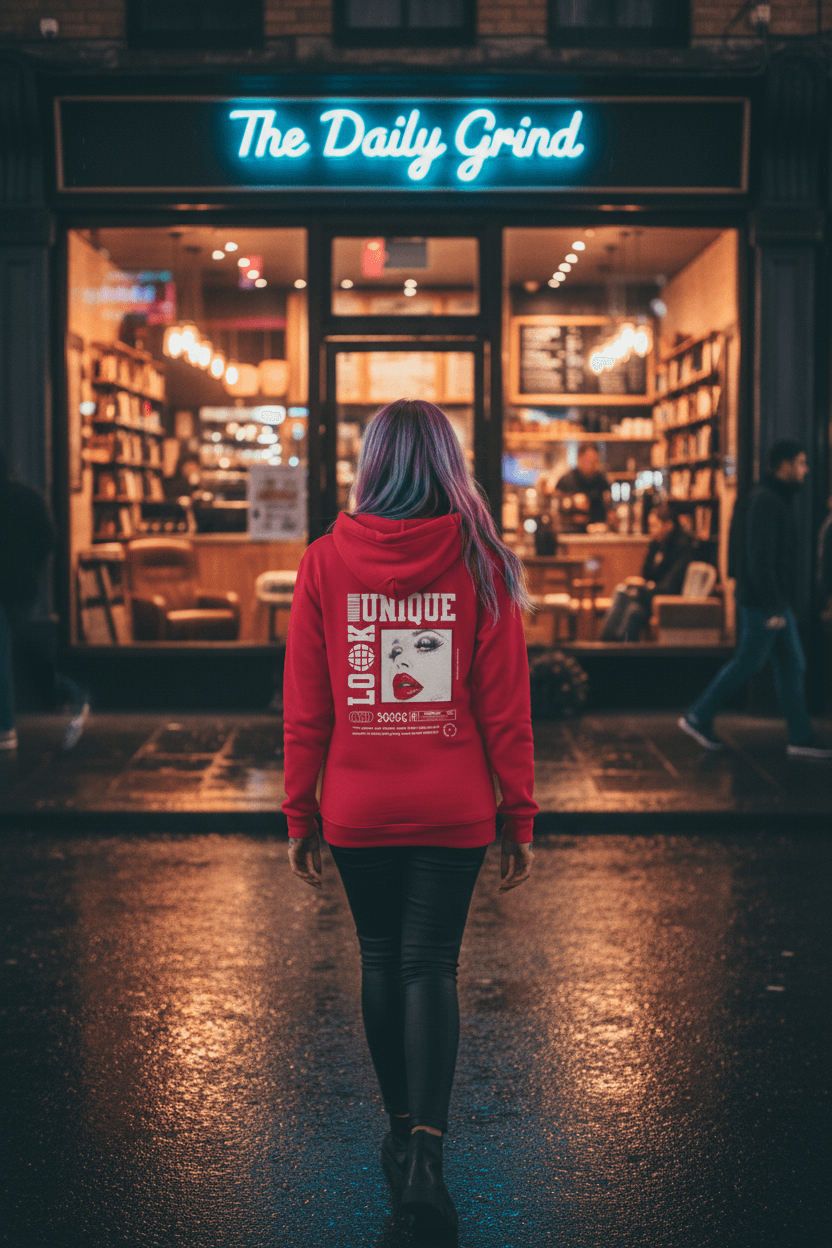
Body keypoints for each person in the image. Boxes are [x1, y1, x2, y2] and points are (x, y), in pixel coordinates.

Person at [281, 399, 538, 1235]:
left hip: (358, 803)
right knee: (434, 967)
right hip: (453, 803)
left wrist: (300, 810)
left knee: (382, 961)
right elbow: (506, 707)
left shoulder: (324, 562)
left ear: (373, 463)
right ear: (448, 466)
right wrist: (519, 812)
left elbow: (306, 704)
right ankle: (428, 1154)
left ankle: (397, 1136)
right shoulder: (481, 562)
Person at [679, 440, 831, 759]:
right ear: (784, 465)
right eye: (801, 463)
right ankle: (698, 715)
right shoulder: (766, 501)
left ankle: (800, 734)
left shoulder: (767, 498)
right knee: (751, 661)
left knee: (791, 665)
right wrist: (773, 606)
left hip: (768, 601)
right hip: (764, 603)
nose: (805, 470)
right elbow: (758, 558)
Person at [0, 447, 90, 752]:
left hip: (14, 583)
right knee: (13, 642)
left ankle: (50, 694)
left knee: (9, 646)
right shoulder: (28, 497)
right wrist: (33, 568)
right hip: (22, 584)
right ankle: (57, 690)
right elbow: (48, 538)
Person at [600, 502, 698, 641]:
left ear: (668, 526)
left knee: (622, 593)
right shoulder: (655, 545)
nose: (650, 530)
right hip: (651, 595)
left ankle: (608, 646)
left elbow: (671, 587)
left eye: (654, 525)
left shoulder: (682, 548)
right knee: (634, 610)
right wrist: (645, 584)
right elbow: (646, 573)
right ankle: (620, 650)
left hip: (667, 600)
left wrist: (645, 585)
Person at [554, 444, 617, 532]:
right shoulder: (566, 480)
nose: (594, 465)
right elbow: (555, 507)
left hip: (597, 533)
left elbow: (610, 509)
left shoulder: (602, 481)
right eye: (590, 461)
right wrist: (572, 501)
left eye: (596, 461)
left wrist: (610, 520)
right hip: (571, 532)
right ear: (579, 458)